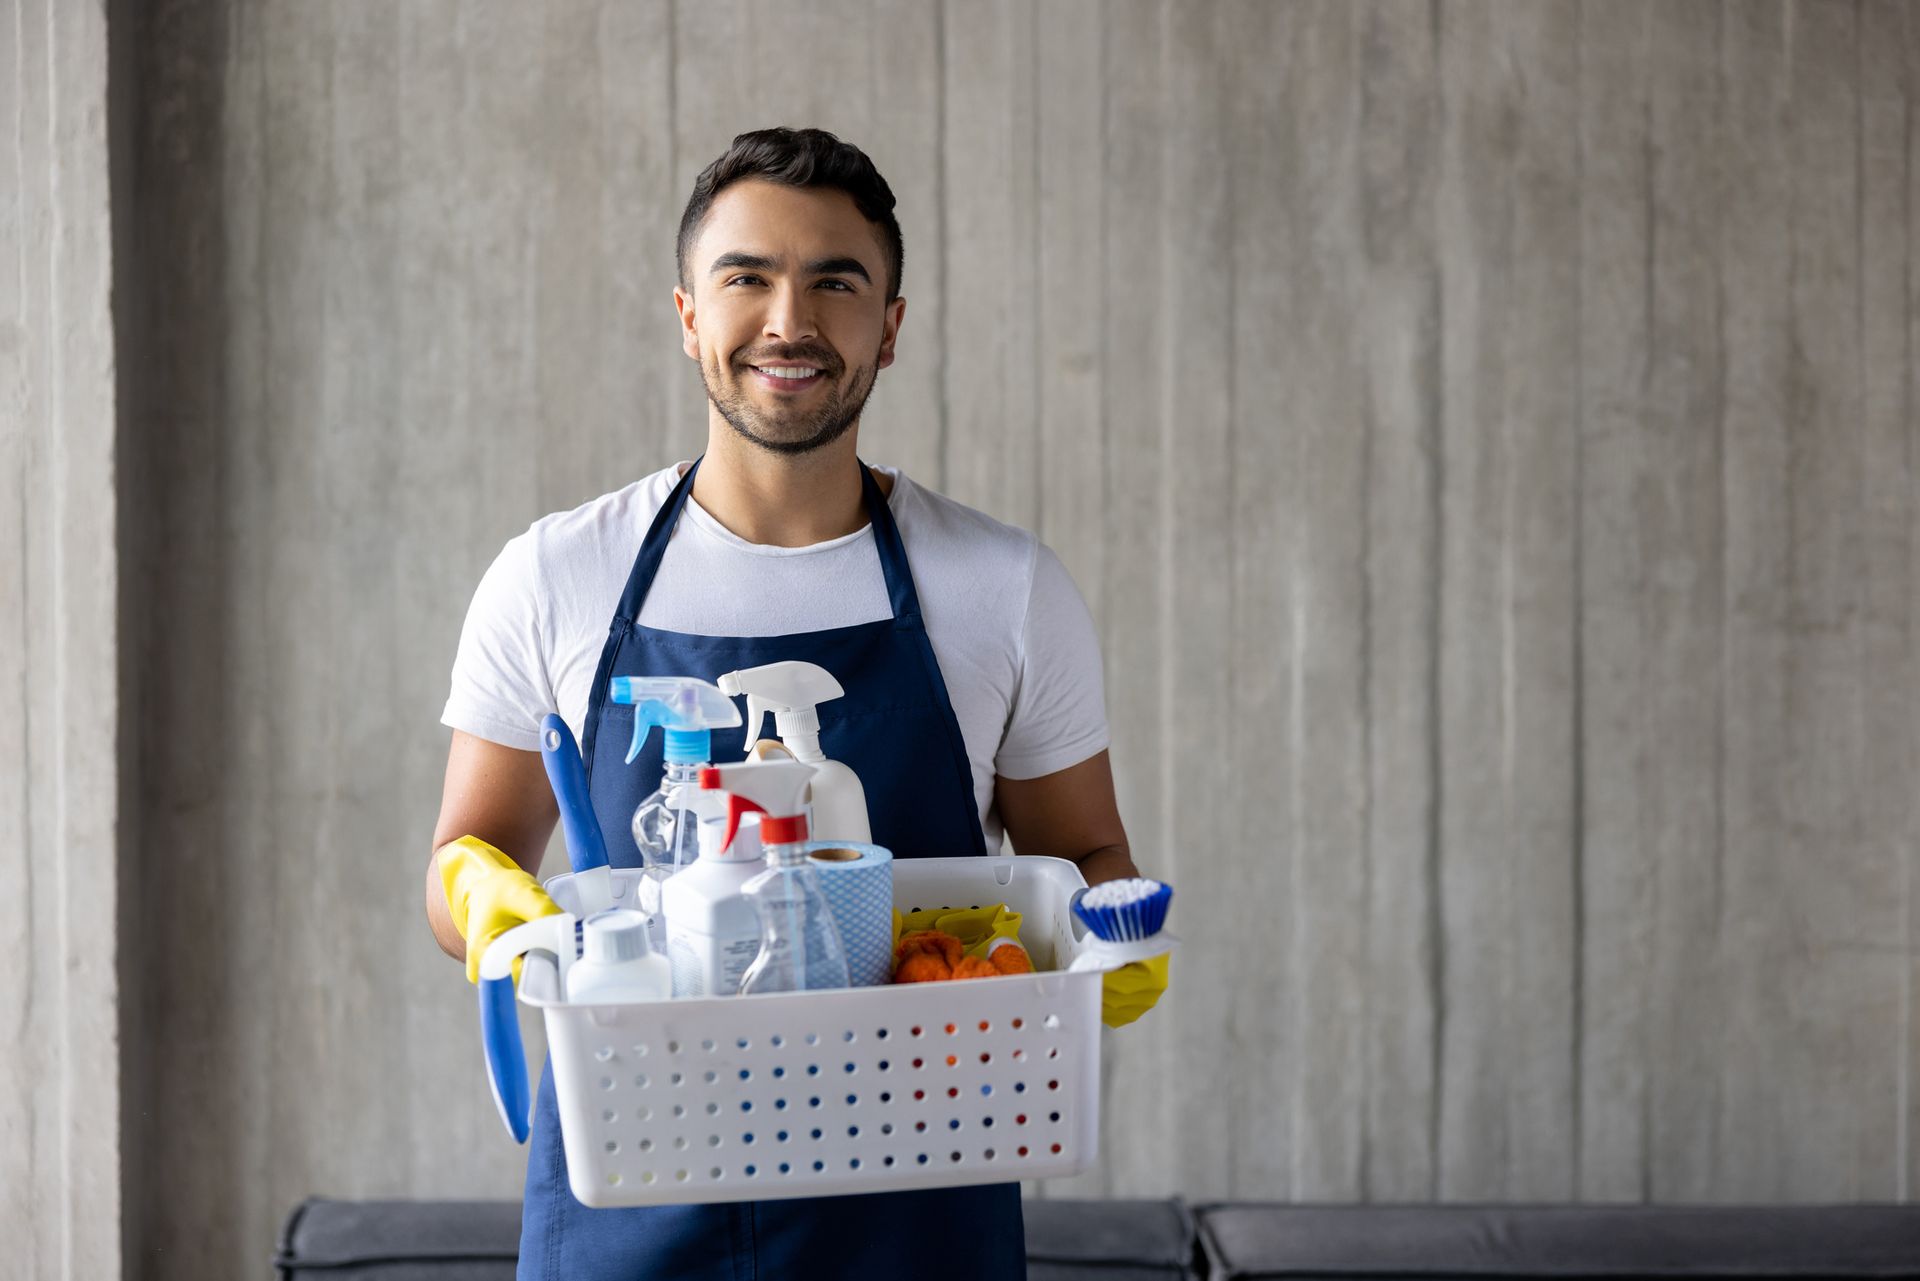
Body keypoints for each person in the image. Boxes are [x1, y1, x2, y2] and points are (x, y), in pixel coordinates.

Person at [424, 126, 1169, 1281]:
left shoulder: (1005, 590)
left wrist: (1115, 938)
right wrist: (485, 899)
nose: (790, 320)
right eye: (747, 278)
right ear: (686, 315)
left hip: (920, 1220)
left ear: (891, 325)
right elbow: (459, 857)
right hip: (631, 1217)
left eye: (836, 281)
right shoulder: (557, 577)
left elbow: (1083, 852)